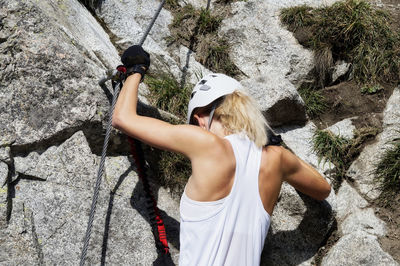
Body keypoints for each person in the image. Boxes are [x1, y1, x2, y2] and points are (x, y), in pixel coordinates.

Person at [112, 45, 331, 266]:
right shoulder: (278, 158)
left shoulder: (205, 144)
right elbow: (323, 189)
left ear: (199, 118)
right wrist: (276, 145)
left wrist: (136, 70)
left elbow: (122, 118)